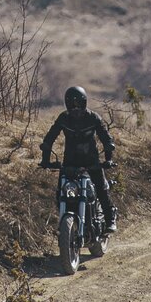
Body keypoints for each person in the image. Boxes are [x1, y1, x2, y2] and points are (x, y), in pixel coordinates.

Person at [40, 86, 117, 232]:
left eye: (78, 104)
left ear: (84, 103)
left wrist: (108, 159)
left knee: (101, 189)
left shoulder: (93, 117)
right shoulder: (63, 118)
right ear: (66, 104)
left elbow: (106, 139)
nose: (75, 108)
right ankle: (66, 225)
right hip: (70, 162)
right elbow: (49, 139)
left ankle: (110, 219)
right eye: (71, 104)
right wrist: (45, 160)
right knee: (60, 193)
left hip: (92, 162)